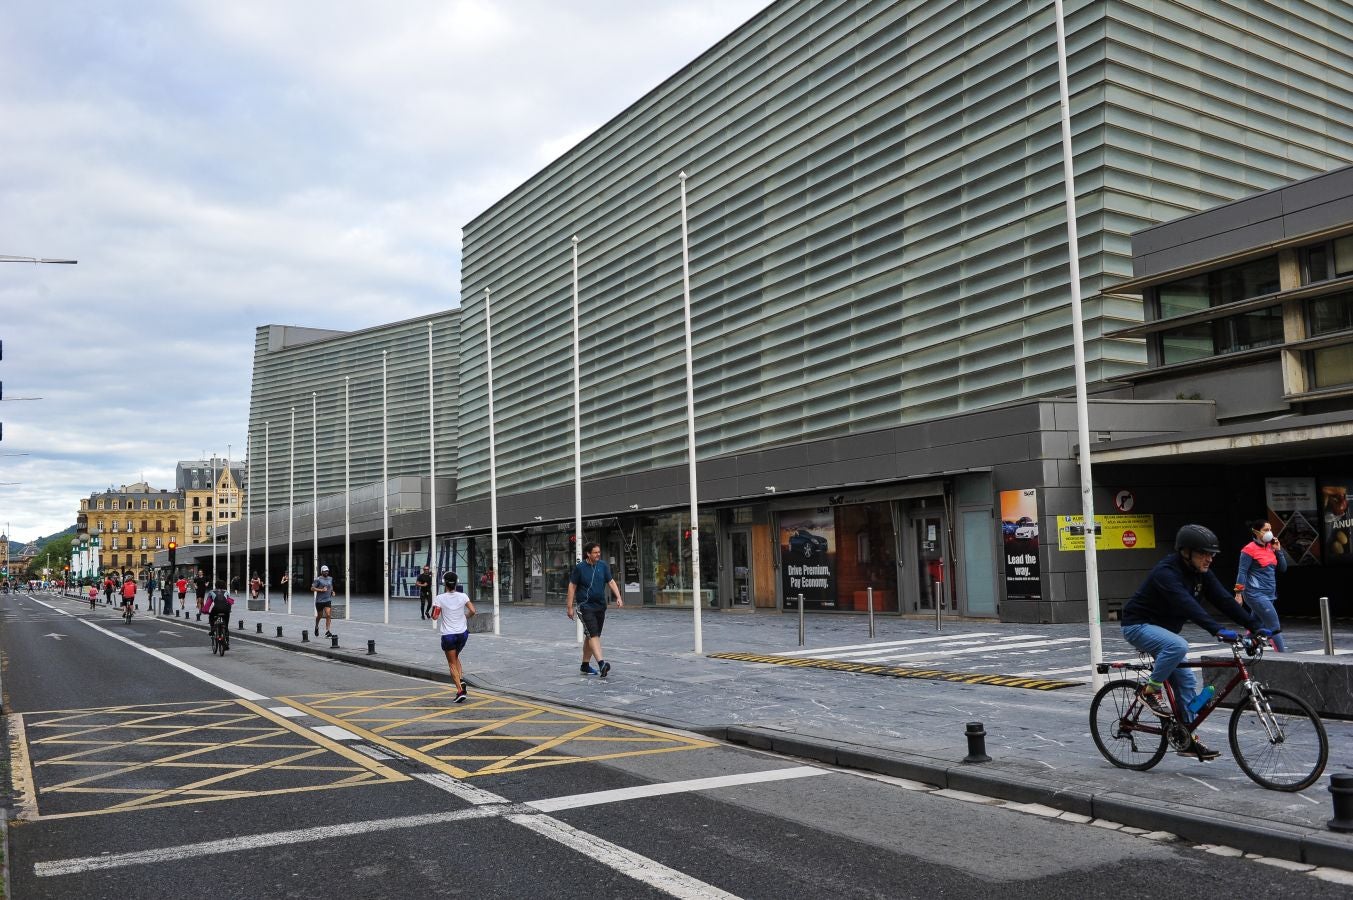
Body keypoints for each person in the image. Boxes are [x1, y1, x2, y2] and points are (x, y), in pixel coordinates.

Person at [1121, 524, 1267, 761]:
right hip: (1137, 625)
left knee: (1187, 681)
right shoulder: (1166, 573)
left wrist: (1255, 626)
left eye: (1212, 554)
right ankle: (1150, 691)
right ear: (1185, 552)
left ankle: (1186, 739)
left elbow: (1224, 601)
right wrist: (1217, 630)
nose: (1209, 558)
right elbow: (1188, 606)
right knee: (1178, 646)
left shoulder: (1201, 573)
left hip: (1165, 632)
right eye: (1203, 553)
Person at [565, 542, 624, 677]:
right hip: (585, 606)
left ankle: (585, 665)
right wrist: (569, 607)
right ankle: (601, 663)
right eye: (595, 552)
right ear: (588, 554)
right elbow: (572, 587)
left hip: (600, 606)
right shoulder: (580, 568)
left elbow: (611, 582)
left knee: (591, 635)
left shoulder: (603, 566)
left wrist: (618, 597)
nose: (598, 554)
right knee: (593, 634)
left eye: (599, 552)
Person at [1234, 519, 1288, 652]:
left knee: (1256, 624)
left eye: (1270, 529)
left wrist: (1278, 551)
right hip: (1255, 594)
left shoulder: (1271, 548)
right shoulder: (1248, 550)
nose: (1269, 533)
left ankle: (1247, 642)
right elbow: (1242, 572)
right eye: (1265, 530)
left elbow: (1283, 568)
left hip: (1270, 593)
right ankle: (1285, 657)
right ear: (1256, 532)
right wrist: (1238, 594)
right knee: (1274, 626)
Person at [431, 572, 476, 702]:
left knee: (451, 663)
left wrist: (432, 613)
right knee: (455, 657)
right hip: (463, 634)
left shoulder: (439, 598)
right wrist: (464, 616)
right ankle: (461, 681)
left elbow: (435, 616)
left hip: (449, 635)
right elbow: (473, 611)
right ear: (456, 583)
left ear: (444, 583)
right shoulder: (463, 596)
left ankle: (460, 691)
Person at [202, 581, 234, 650]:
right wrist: (229, 610)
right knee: (226, 625)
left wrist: (205, 610)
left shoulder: (211, 592)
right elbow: (229, 601)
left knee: (211, 616)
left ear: (216, 585)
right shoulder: (226, 592)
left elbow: (208, 602)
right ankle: (227, 641)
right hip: (225, 610)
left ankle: (212, 628)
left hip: (216, 609)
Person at [311, 565, 336, 638]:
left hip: (327, 600)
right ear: (322, 571)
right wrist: (321, 590)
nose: (326, 572)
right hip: (319, 601)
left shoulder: (330, 578)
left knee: (328, 614)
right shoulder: (318, 579)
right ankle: (316, 626)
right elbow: (312, 588)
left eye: (327, 571)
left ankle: (328, 631)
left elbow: (330, 587)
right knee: (320, 616)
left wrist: (332, 592)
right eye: (325, 571)